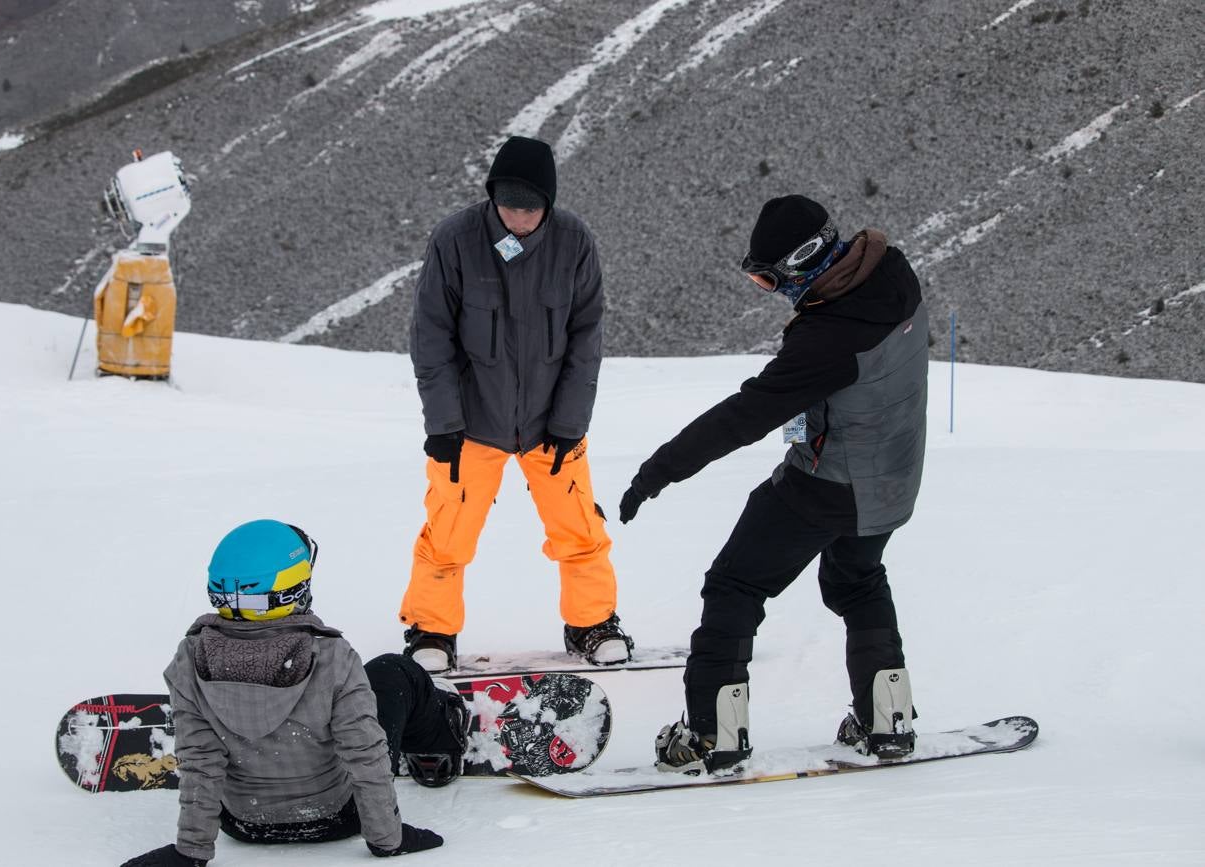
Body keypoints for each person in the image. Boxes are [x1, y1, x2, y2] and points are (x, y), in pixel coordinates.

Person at [619, 194, 928, 774]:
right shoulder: (892, 271)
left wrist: (658, 470)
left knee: (735, 587)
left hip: (828, 483)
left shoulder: (827, 339)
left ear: (803, 263)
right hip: (895, 479)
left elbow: (745, 415)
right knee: (858, 580)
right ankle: (887, 722)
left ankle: (712, 737)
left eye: (767, 280)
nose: (769, 291)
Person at [401, 135, 631, 673]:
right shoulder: (455, 240)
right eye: (508, 208)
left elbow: (586, 337)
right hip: (471, 424)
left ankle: (592, 623)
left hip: (551, 424)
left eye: (530, 210)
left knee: (579, 526)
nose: (518, 220)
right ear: (491, 198)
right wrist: (443, 424)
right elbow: (431, 339)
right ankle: (432, 630)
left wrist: (571, 423)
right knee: (449, 529)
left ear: (548, 205)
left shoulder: (574, 241)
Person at [122, 520, 459, 866]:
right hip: (342, 816)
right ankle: (440, 741)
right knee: (392, 672)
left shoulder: (190, 659)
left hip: (243, 823)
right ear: (293, 588)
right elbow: (364, 753)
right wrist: (388, 838)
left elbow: (201, 762)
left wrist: (189, 851)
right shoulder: (332, 657)